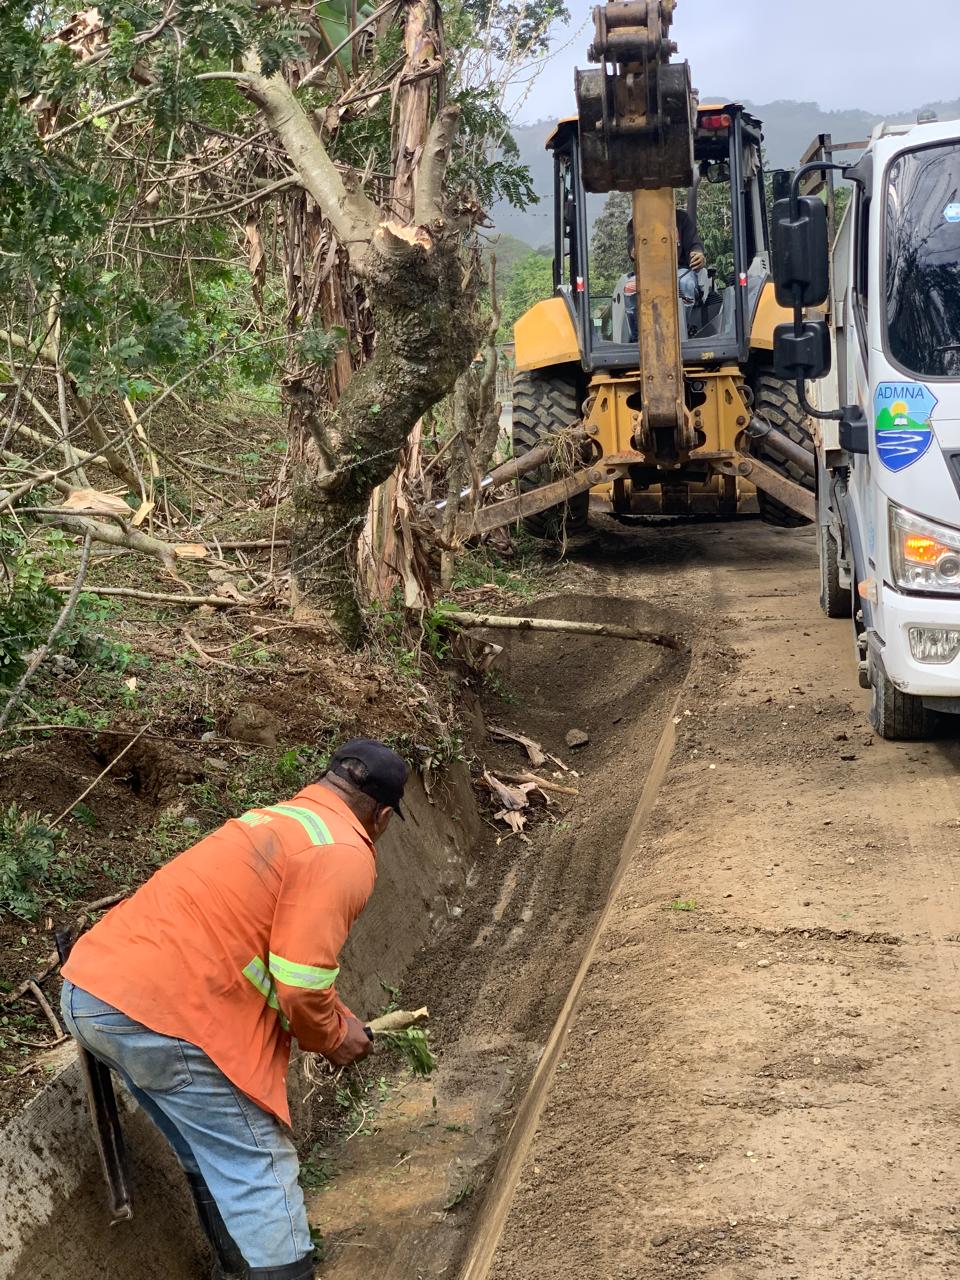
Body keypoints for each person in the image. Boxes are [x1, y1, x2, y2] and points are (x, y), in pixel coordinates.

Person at [60, 738, 409, 1280]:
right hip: (165, 1015)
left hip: (93, 995)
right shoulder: (343, 852)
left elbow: (271, 952)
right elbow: (299, 983)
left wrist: (335, 1017)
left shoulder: (278, 819)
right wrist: (334, 1036)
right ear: (383, 816)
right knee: (258, 1168)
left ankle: (238, 1268)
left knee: (211, 1155)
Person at [626, 209, 706, 271]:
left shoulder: (682, 218)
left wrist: (697, 253)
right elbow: (632, 248)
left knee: (686, 284)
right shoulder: (636, 223)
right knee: (631, 288)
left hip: (680, 269)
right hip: (647, 272)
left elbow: (693, 243)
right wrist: (635, 250)